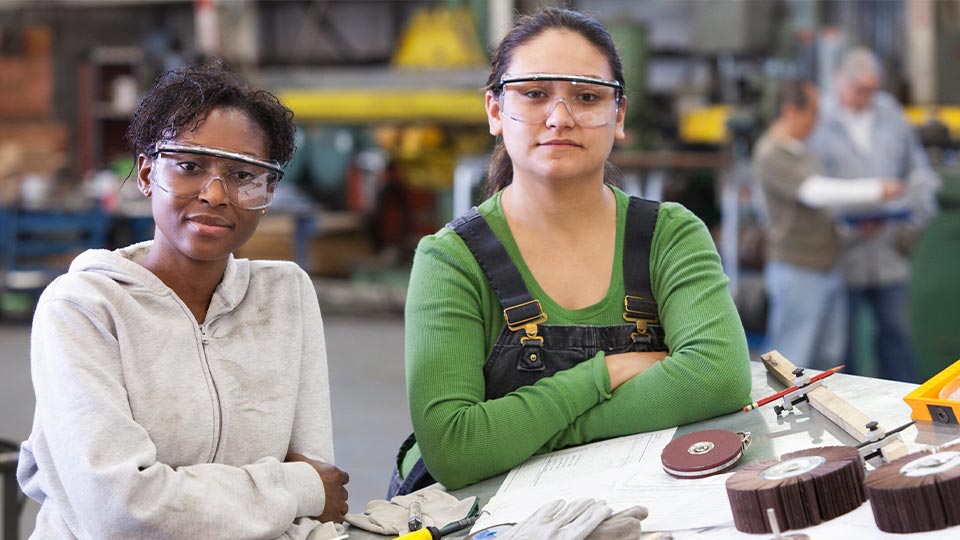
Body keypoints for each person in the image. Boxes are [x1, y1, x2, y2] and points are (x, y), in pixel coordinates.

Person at [392, 8, 751, 496]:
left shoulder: (670, 235)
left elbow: (718, 378)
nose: (560, 118)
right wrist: (607, 372)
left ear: (618, 116)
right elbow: (456, 449)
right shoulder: (452, 260)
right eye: (535, 94)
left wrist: (527, 434)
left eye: (586, 97)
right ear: (496, 111)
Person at [17, 63, 349, 539]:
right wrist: (294, 487)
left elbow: (314, 509)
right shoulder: (82, 307)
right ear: (149, 173)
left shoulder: (286, 295)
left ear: (269, 191)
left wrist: (302, 494)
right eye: (190, 167)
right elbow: (121, 513)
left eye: (243, 175)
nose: (215, 194)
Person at [753, 79, 904, 371]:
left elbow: (821, 209)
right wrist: (876, 190)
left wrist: (852, 228)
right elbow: (813, 192)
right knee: (792, 361)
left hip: (827, 268)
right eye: (813, 112)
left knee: (827, 364)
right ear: (790, 111)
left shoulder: (803, 151)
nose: (817, 121)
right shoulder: (772, 152)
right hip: (798, 271)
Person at [810, 47, 939, 382]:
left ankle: (906, 412)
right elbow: (810, 188)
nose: (866, 96)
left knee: (898, 339)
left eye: (872, 88)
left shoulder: (891, 115)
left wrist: (912, 225)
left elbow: (920, 175)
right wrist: (840, 228)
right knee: (843, 350)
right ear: (840, 80)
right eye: (859, 89)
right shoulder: (819, 122)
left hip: (889, 252)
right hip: (841, 257)